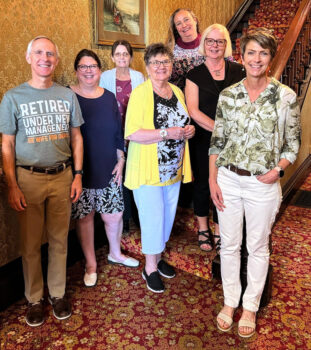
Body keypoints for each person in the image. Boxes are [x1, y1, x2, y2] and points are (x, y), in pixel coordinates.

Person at [209, 28, 300, 338]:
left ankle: (250, 305)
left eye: (263, 53)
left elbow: (292, 144)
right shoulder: (227, 95)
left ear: (271, 59)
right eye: (251, 52)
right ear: (242, 56)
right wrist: (212, 180)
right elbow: (216, 141)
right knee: (230, 245)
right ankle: (230, 301)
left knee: (258, 247)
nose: (257, 58)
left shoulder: (286, 96)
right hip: (228, 180)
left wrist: (278, 170)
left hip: (263, 184)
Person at [0, 36, 84, 327]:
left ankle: (58, 294)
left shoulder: (67, 95)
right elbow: (7, 145)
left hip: (62, 176)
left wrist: (77, 175)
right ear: (28, 58)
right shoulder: (13, 97)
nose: (45, 58)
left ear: (56, 60)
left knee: (60, 241)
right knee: (31, 244)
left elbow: (76, 137)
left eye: (50, 54)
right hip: (28, 179)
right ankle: (34, 298)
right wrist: (12, 184)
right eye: (39, 52)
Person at [124, 43, 195, 293]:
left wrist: (188, 130)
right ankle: (149, 267)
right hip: (148, 169)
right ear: (147, 67)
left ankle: (157, 257)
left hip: (173, 168)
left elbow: (183, 122)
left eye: (165, 61)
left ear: (172, 65)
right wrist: (168, 133)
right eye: (155, 62)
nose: (161, 66)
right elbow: (132, 133)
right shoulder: (140, 93)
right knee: (152, 218)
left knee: (166, 217)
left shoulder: (176, 90)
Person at [70, 49, 139, 288]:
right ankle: (91, 264)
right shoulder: (69, 96)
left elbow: (118, 131)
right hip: (82, 170)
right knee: (85, 218)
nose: (89, 71)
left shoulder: (109, 97)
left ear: (100, 70)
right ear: (77, 70)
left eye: (93, 67)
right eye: (83, 66)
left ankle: (115, 253)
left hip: (110, 167)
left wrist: (121, 159)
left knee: (114, 215)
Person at [185, 24, 245, 253]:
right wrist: (220, 132)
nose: (214, 45)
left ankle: (220, 228)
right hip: (203, 138)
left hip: (234, 141)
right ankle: (203, 227)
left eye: (219, 41)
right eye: (210, 40)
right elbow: (193, 111)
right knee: (202, 184)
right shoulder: (194, 74)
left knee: (227, 184)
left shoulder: (239, 71)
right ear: (204, 44)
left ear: (226, 45)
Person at [99, 40, 144, 233]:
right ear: (112, 57)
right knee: (120, 176)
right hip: (115, 134)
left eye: (125, 54)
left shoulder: (139, 76)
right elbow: (102, 104)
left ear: (131, 57)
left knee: (135, 174)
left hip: (135, 133)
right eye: (118, 54)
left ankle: (138, 215)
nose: (122, 57)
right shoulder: (105, 77)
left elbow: (143, 105)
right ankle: (124, 219)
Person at [166, 8, 204, 91]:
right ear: (175, 28)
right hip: (178, 99)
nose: (184, 25)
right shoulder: (170, 50)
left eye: (186, 20)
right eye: (178, 23)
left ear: (195, 20)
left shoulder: (210, 44)